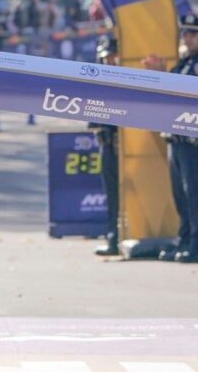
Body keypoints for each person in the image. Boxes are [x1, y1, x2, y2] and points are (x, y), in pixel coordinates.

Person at [145, 14, 198, 263]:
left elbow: (192, 94)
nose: (187, 38)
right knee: (180, 193)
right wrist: (160, 74)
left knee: (193, 191)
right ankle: (185, 240)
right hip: (177, 137)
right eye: (185, 33)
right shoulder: (184, 63)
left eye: (193, 34)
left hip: (195, 140)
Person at [89, 37, 120, 256]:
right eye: (105, 56)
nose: (108, 60)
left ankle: (120, 235)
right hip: (107, 145)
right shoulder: (99, 84)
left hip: (124, 146)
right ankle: (112, 236)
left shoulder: (125, 81)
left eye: (111, 55)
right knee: (111, 195)